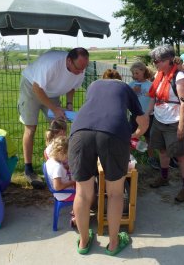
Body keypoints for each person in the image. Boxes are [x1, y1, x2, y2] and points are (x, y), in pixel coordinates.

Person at [68, 71, 149, 255]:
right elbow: (143, 120)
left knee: (82, 193)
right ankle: (113, 243)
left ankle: (83, 241)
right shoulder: (125, 87)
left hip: (80, 132)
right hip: (113, 132)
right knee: (115, 193)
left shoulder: (94, 86)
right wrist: (135, 135)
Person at [17, 48, 89, 189]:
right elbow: (37, 88)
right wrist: (54, 108)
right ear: (69, 61)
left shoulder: (80, 68)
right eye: (78, 68)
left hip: (51, 91)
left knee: (59, 128)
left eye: (83, 68)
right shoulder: (51, 64)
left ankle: (57, 162)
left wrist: (69, 104)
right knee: (31, 127)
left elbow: (72, 86)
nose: (81, 72)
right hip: (32, 87)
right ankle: (28, 169)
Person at [146, 45, 184, 203]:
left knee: (180, 155)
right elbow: (154, 96)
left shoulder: (179, 77)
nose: (154, 63)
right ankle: (164, 177)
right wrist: (147, 114)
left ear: (167, 60)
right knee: (162, 151)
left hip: (174, 121)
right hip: (159, 119)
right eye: (154, 61)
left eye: (156, 61)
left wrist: (181, 125)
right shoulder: (159, 75)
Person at [128, 61, 158, 168]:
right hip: (134, 116)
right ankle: (128, 158)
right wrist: (132, 92)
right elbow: (125, 98)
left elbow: (153, 100)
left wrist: (147, 113)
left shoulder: (150, 85)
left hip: (148, 116)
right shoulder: (131, 85)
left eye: (137, 73)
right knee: (131, 137)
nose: (134, 76)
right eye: (133, 73)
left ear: (143, 72)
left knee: (149, 138)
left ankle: (151, 158)